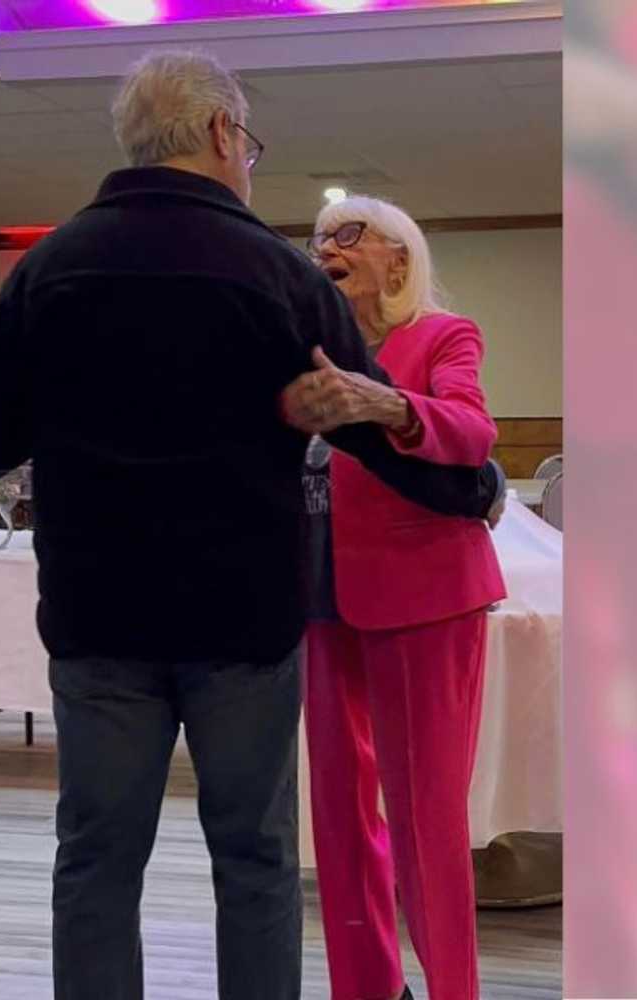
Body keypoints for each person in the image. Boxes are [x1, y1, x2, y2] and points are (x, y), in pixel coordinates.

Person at [0, 49, 502, 999]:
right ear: (220, 133)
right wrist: (478, 486)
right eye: (248, 143)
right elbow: (365, 427)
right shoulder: (278, 276)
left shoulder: (48, 269)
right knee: (253, 863)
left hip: (97, 619)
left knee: (95, 863)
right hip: (241, 624)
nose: (248, 160)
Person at [287, 195, 507, 1000]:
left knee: (425, 823)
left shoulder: (442, 336)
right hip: (316, 594)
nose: (325, 249)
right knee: (339, 820)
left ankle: (452, 988)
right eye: (315, 241)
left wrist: (385, 403)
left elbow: (472, 432)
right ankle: (367, 989)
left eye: (348, 235)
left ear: (400, 261)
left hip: (425, 597)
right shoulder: (302, 353)